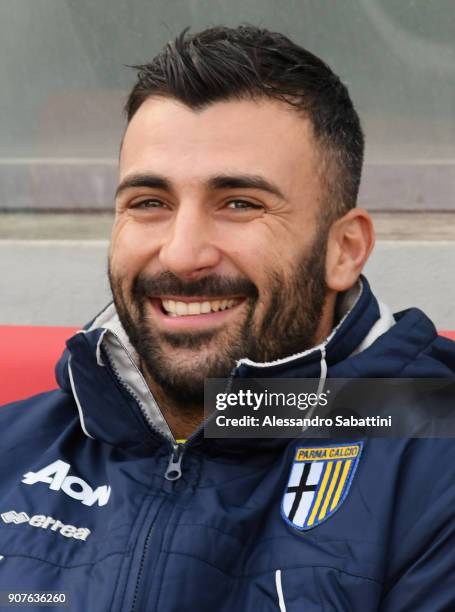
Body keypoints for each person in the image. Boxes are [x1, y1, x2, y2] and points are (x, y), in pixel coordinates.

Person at [1, 25, 455, 611]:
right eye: (149, 203)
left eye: (240, 203)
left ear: (343, 249)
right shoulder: (15, 446)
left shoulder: (434, 460)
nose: (183, 254)